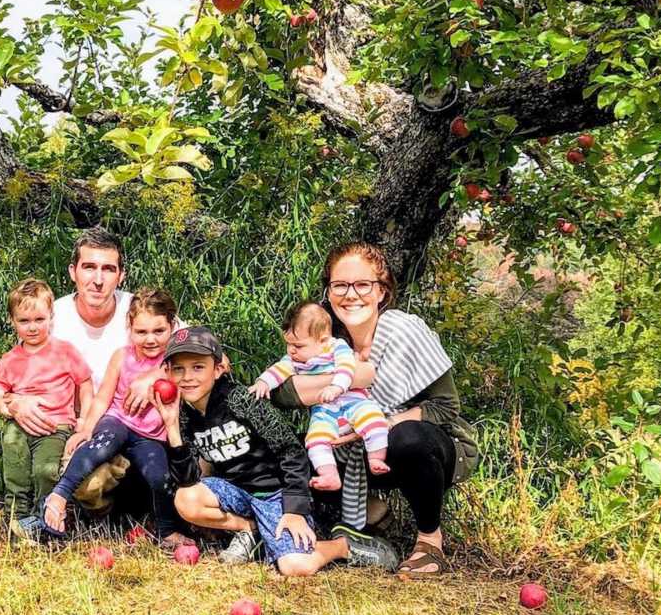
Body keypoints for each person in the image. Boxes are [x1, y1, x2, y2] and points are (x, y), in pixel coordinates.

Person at [271, 242, 479, 579]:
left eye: (363, 285)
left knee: (407, 438)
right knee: (286, 451)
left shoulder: (404, 330)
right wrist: (348, 375)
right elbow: (282, 392)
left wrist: (380, 421)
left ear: (382, 292)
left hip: (418, 449)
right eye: (340, 285)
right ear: (328, 291)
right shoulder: (325, 337)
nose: (351, 294)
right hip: (349, 451)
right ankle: (371, 514)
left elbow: (446, 407)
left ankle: (429, 541)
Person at [154, 326, 400, 575]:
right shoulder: (184, 413)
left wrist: (295, 509)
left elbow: (291, 450)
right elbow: (188, 480)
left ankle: (343, 546)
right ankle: (252, 530)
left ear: (217, 369)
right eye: (178, 369)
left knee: (296, 567)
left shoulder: (241, 401)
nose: (187, 377)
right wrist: (172, 426)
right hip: (238, 492)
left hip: (276, 494)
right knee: (186, 499)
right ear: (168, 373)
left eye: (198, 367)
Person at [38, 288, 192, 548]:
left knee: (158, 475)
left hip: (151, 435)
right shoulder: (122, 356)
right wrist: (86, 428)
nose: (150, 339)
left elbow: (215, 361)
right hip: (118, 419)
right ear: (129, 327)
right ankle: (59, 496)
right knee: (105, 441)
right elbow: (103, 398)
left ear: (172, 326)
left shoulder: (175, 362)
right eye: (141, 332)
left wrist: (158, 375)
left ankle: (166, 531)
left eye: (159, 331)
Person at [0, 279, 93, 542]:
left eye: (39, 319)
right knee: (16, 471)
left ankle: (45, 519)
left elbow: (85, 384)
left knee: (45, 471)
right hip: (18, 425)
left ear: (51, 317)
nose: (32, 327)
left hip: (55, 426)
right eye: (24, 321)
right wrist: (7, 409)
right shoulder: (10, 359)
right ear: (12, 321)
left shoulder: (65, 352)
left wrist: (84, 419)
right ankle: (17, 519)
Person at [250, 300, 390, 491]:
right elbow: (279, 370)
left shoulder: (337, 347)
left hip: (354, 402)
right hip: (325, 411)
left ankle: (376, 457)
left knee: (374, 419)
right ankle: (329, 475)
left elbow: (347, 368)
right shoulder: (295, 358)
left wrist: (337, 387)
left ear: (323, 340)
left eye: (298, 345)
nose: (291, 350)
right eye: (288, 344)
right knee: (315, 440)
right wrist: (263, 382)